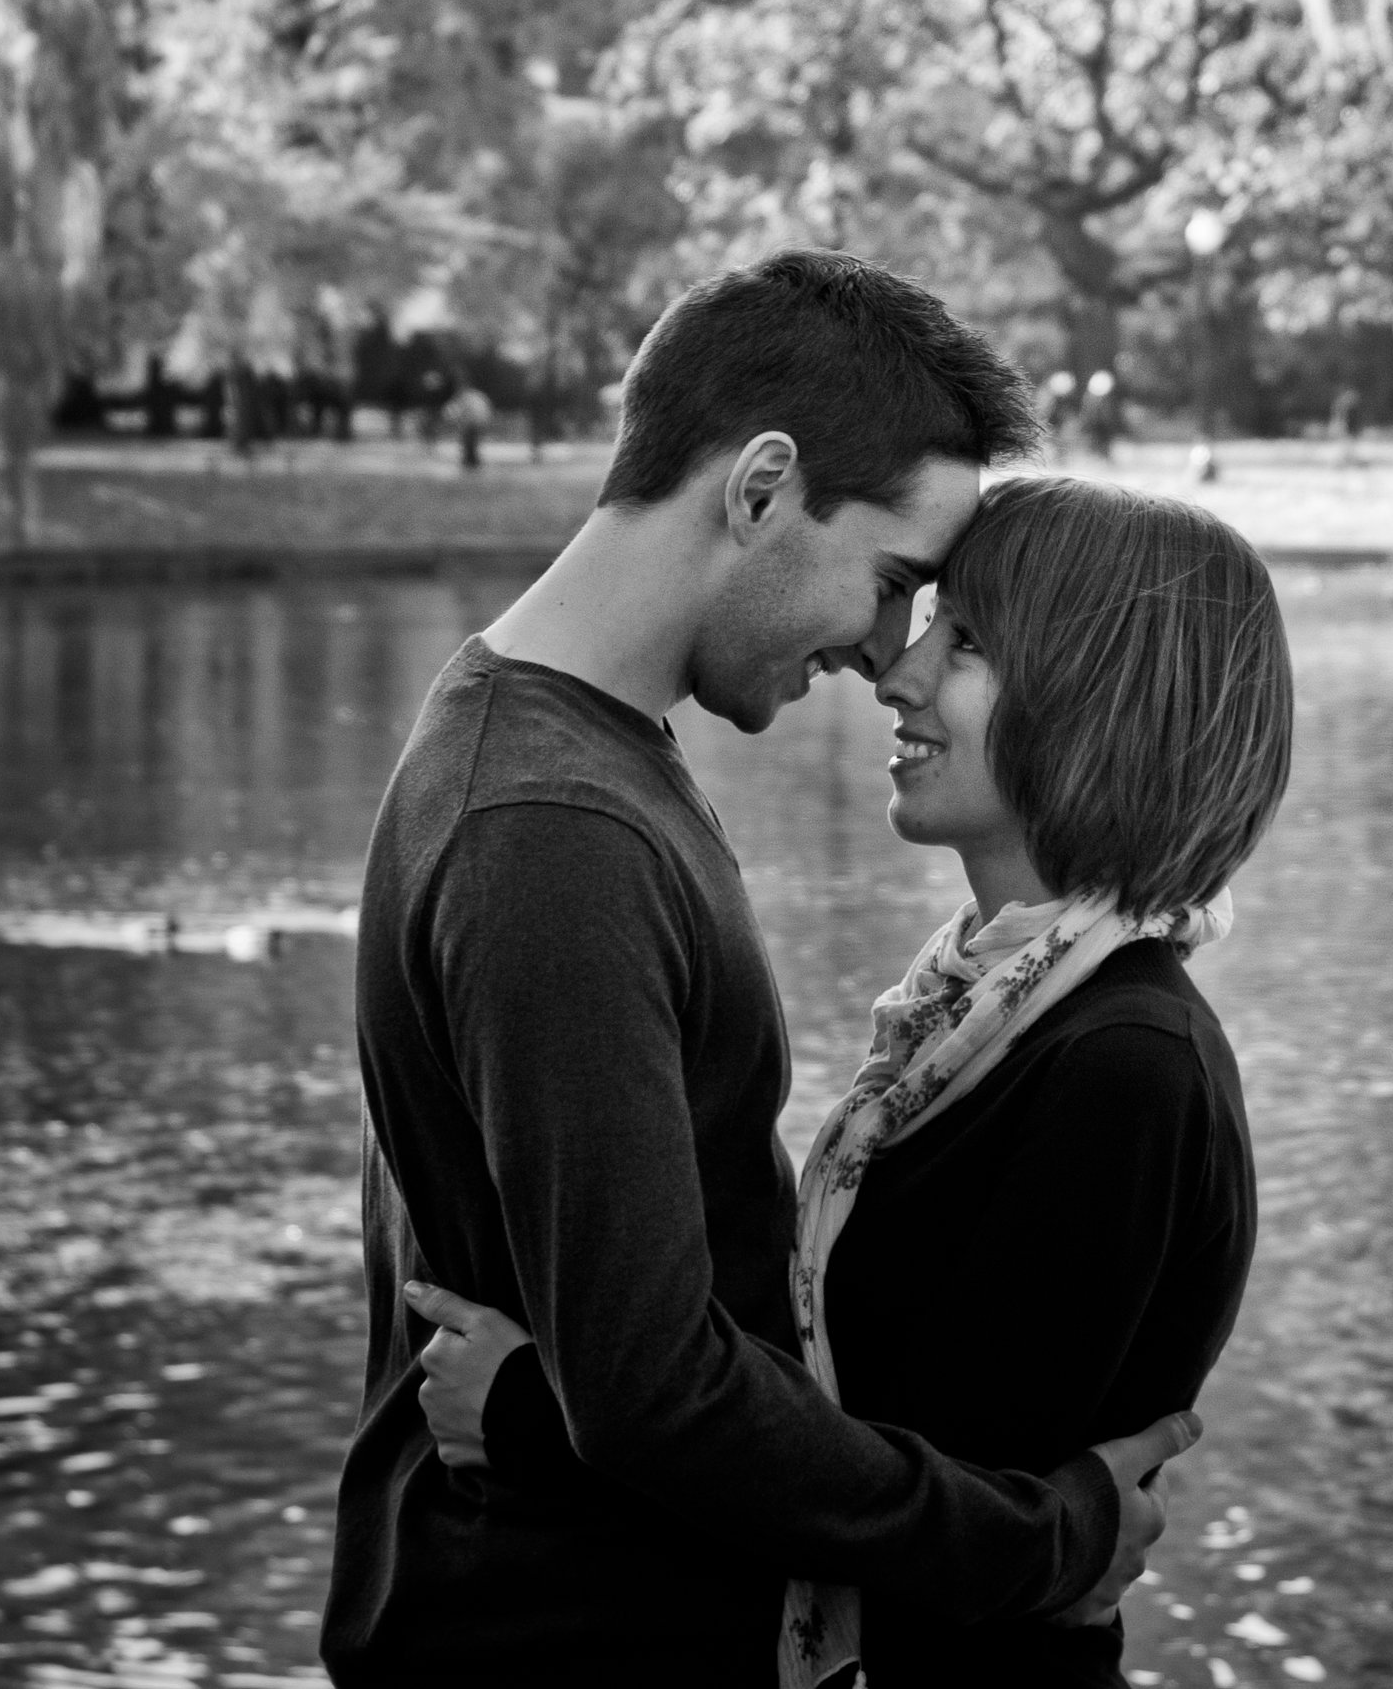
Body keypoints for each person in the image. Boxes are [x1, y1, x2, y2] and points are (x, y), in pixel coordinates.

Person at [321, 255, 1198, 1688]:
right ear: (759, 487)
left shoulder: (566, 748)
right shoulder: (549, 830)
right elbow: (656, 1390)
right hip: (562, 1642)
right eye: (893, 580)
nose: (878, 653)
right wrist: (1045, 1539)